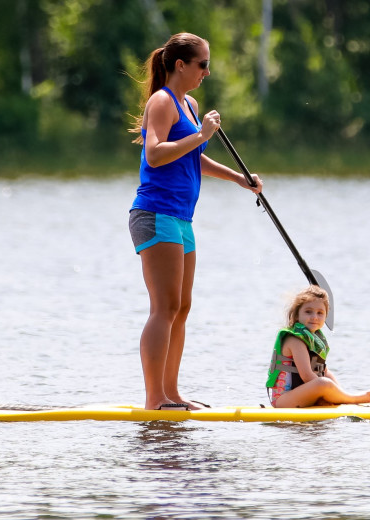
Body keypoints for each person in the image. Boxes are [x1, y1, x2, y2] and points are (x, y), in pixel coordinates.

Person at [128, 33, 263, 411]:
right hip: (155, 214)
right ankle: (155, 398)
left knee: (182, 308)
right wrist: (203, 134)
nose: (207, 71)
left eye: (208, 64)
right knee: (164, 307)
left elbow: (192, 158)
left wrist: (240, 179)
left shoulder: (190, 104)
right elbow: (155, 155)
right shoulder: (162, 102)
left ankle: (172, 394)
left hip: (181, 218)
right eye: (202, 64)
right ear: (180, 65)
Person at [266, 286, 370, 408]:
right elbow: (307, 376)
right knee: (323, 383)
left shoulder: (313, 339)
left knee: (326, 374)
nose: (314, 317)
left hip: (301, 395)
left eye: (320, 313)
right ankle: (350, 399)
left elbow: (322, 372)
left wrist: (332, 390)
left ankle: (341, 396)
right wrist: (325, 390)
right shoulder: (295, 340)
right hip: (283, 400)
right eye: (308, 311)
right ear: (297, 315)